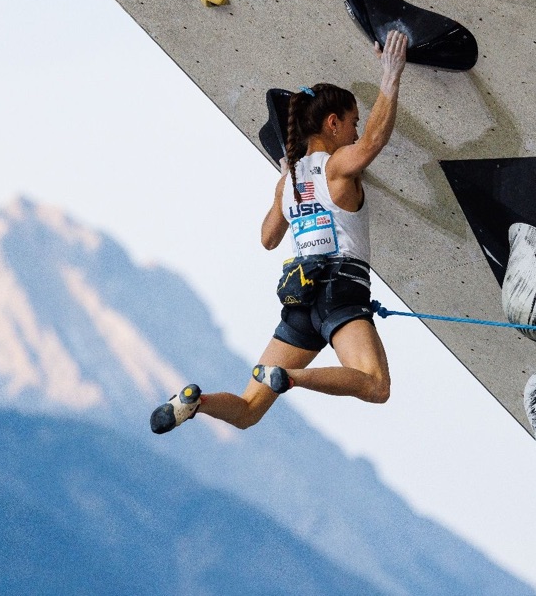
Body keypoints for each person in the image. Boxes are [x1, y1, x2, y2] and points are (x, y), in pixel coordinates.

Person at [151, 29, 409, 434]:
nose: (356, 132)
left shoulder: (287, 181)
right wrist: (390, 77)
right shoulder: (336, 167)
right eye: (353, 123)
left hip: (300, 298)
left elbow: (268, 238)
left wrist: (286, 182)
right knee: (375, 386)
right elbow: (375, 141)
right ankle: (291, 378)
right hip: (340, 293)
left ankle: (196, 403)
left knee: (249, 410)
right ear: (333, 123)